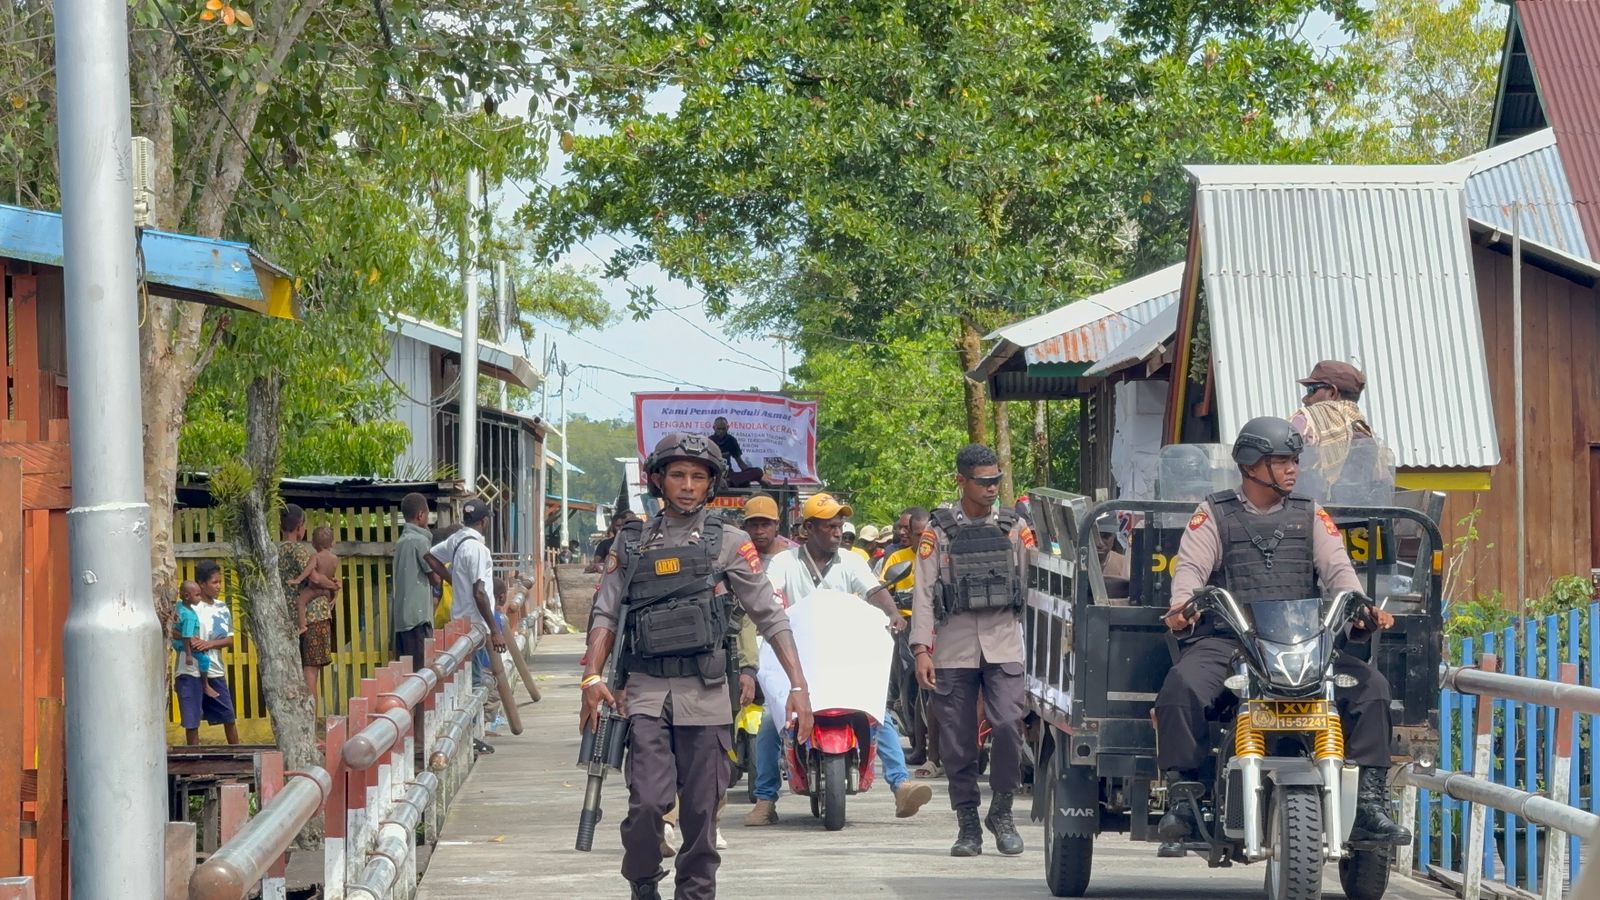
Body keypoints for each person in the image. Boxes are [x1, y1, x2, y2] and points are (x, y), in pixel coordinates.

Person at [1154, 416, 1410, 848]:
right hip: (1232, 642)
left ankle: (1369, 804)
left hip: (1302, 643)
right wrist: (1182, 607)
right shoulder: (1212, 514)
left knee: (1373, 689)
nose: (1293, 469)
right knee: (1182, 686)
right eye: (1281, 460)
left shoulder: (1311, 514)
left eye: (1295, 460)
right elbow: (1191, 572)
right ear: (1251, 464)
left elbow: (1340, 573)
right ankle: (1184, 797)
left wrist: (1360, 607)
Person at [581, 433, 813, 900]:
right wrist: (591, 677)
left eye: (698, 477)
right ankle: (642, 879)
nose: (688, 486)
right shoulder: (631, 542)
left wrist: (798, 686)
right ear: (659, 480)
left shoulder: (729, 541)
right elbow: (605, 613)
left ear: (711, 484)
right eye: (678, 475)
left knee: (702, 815)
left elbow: (769, 615)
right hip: (645, 691)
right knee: (647, 804)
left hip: (707, 694)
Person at [746, 493, 933, 827]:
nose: (837, 532)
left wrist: (893, 613)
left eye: (839, 525)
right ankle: (765, 799)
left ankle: (901, 785)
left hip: (842, 657)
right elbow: (769, 595)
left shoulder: (851, 561)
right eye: (829, 526)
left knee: (877, 712)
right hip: (798, 661)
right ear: (808, 529)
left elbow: (874, 590)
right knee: (772, 720)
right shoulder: (785, 563)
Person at [910, 444, 1032, 857]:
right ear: (961, 481)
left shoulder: (1015, 527)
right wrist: (921, 649)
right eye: (983, 481)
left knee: (1008, 726)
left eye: (996, 479)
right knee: (958, 742)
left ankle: (1002, 811)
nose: (992, 487)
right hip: (953, 647)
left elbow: (1034, 586)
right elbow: (923, 593)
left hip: (1004, 644)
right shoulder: (938, 532)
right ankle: (967, 825)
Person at [425, 499, 506, 750]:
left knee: (465, 679)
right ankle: (470, 738)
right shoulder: (478, 549)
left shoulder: (457, 540)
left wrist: (451, 579)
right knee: (474, 682)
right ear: (484, 521)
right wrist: (495, 631)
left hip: (458, 620)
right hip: (475, 624)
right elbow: (480, 592)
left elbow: (429, 556)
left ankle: (470, 736)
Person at [278, 505, 340, 711]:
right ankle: (310, 723)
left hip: (292, 618)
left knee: (296, 672)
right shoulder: (300, 551)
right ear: (300, 526)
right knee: (311, 671)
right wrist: (333, 586)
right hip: (315, 616)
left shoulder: (276, 552)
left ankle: (300, 719)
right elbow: (315, 578)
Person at [175, 560, 240, 745]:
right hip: (188, 669)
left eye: (220, 582)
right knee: (192, 721)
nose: (219, 586)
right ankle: (195, 760)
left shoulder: (221, 608)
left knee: (228, 716)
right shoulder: (186, 606)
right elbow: (170, 630)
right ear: (202, 584)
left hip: (214, 669)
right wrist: (189, 640)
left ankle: (237, 756)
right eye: (214, 582)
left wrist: (208, 644)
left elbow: (229, 639)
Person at [290, 525, 341, 700]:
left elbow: (312, 574)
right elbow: (331, 579)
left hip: (313, 597)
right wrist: (334, 589)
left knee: (300, 602)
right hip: (324, 600)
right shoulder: (334, 559)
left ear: (313, 543)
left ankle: (302, 626)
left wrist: (297, 580)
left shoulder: (314, 556)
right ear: (332, 543)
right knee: (312, 670)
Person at [391, 492, 440, 671]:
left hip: (402, 620)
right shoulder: (420, 541)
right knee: (422, 673)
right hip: (418, 619)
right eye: (427, 514)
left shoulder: (401, 542)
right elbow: (435, 579)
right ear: (420, 515)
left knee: (406, 674)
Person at [173, 580, 220, 699]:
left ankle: (177, 684)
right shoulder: (189, 616)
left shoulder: (179, 606)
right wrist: (189, 655)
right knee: (204, 659)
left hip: (180, 640)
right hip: (184, 644)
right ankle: (205, 685)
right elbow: (186, 636)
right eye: (197, 595)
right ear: (187, 596)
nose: (200, 598)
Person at [709, 416, 766, 487]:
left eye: (723, 429)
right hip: (715, 474)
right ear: (714, 428)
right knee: (744, 484)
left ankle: (730, 482)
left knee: (758, 472)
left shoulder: (731, 440)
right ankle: (731, 482)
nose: (721, 431)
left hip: (729, 474)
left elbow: (740, 462)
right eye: (718, 429)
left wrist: (757, 478)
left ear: (728, 428)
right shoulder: (709, 441)